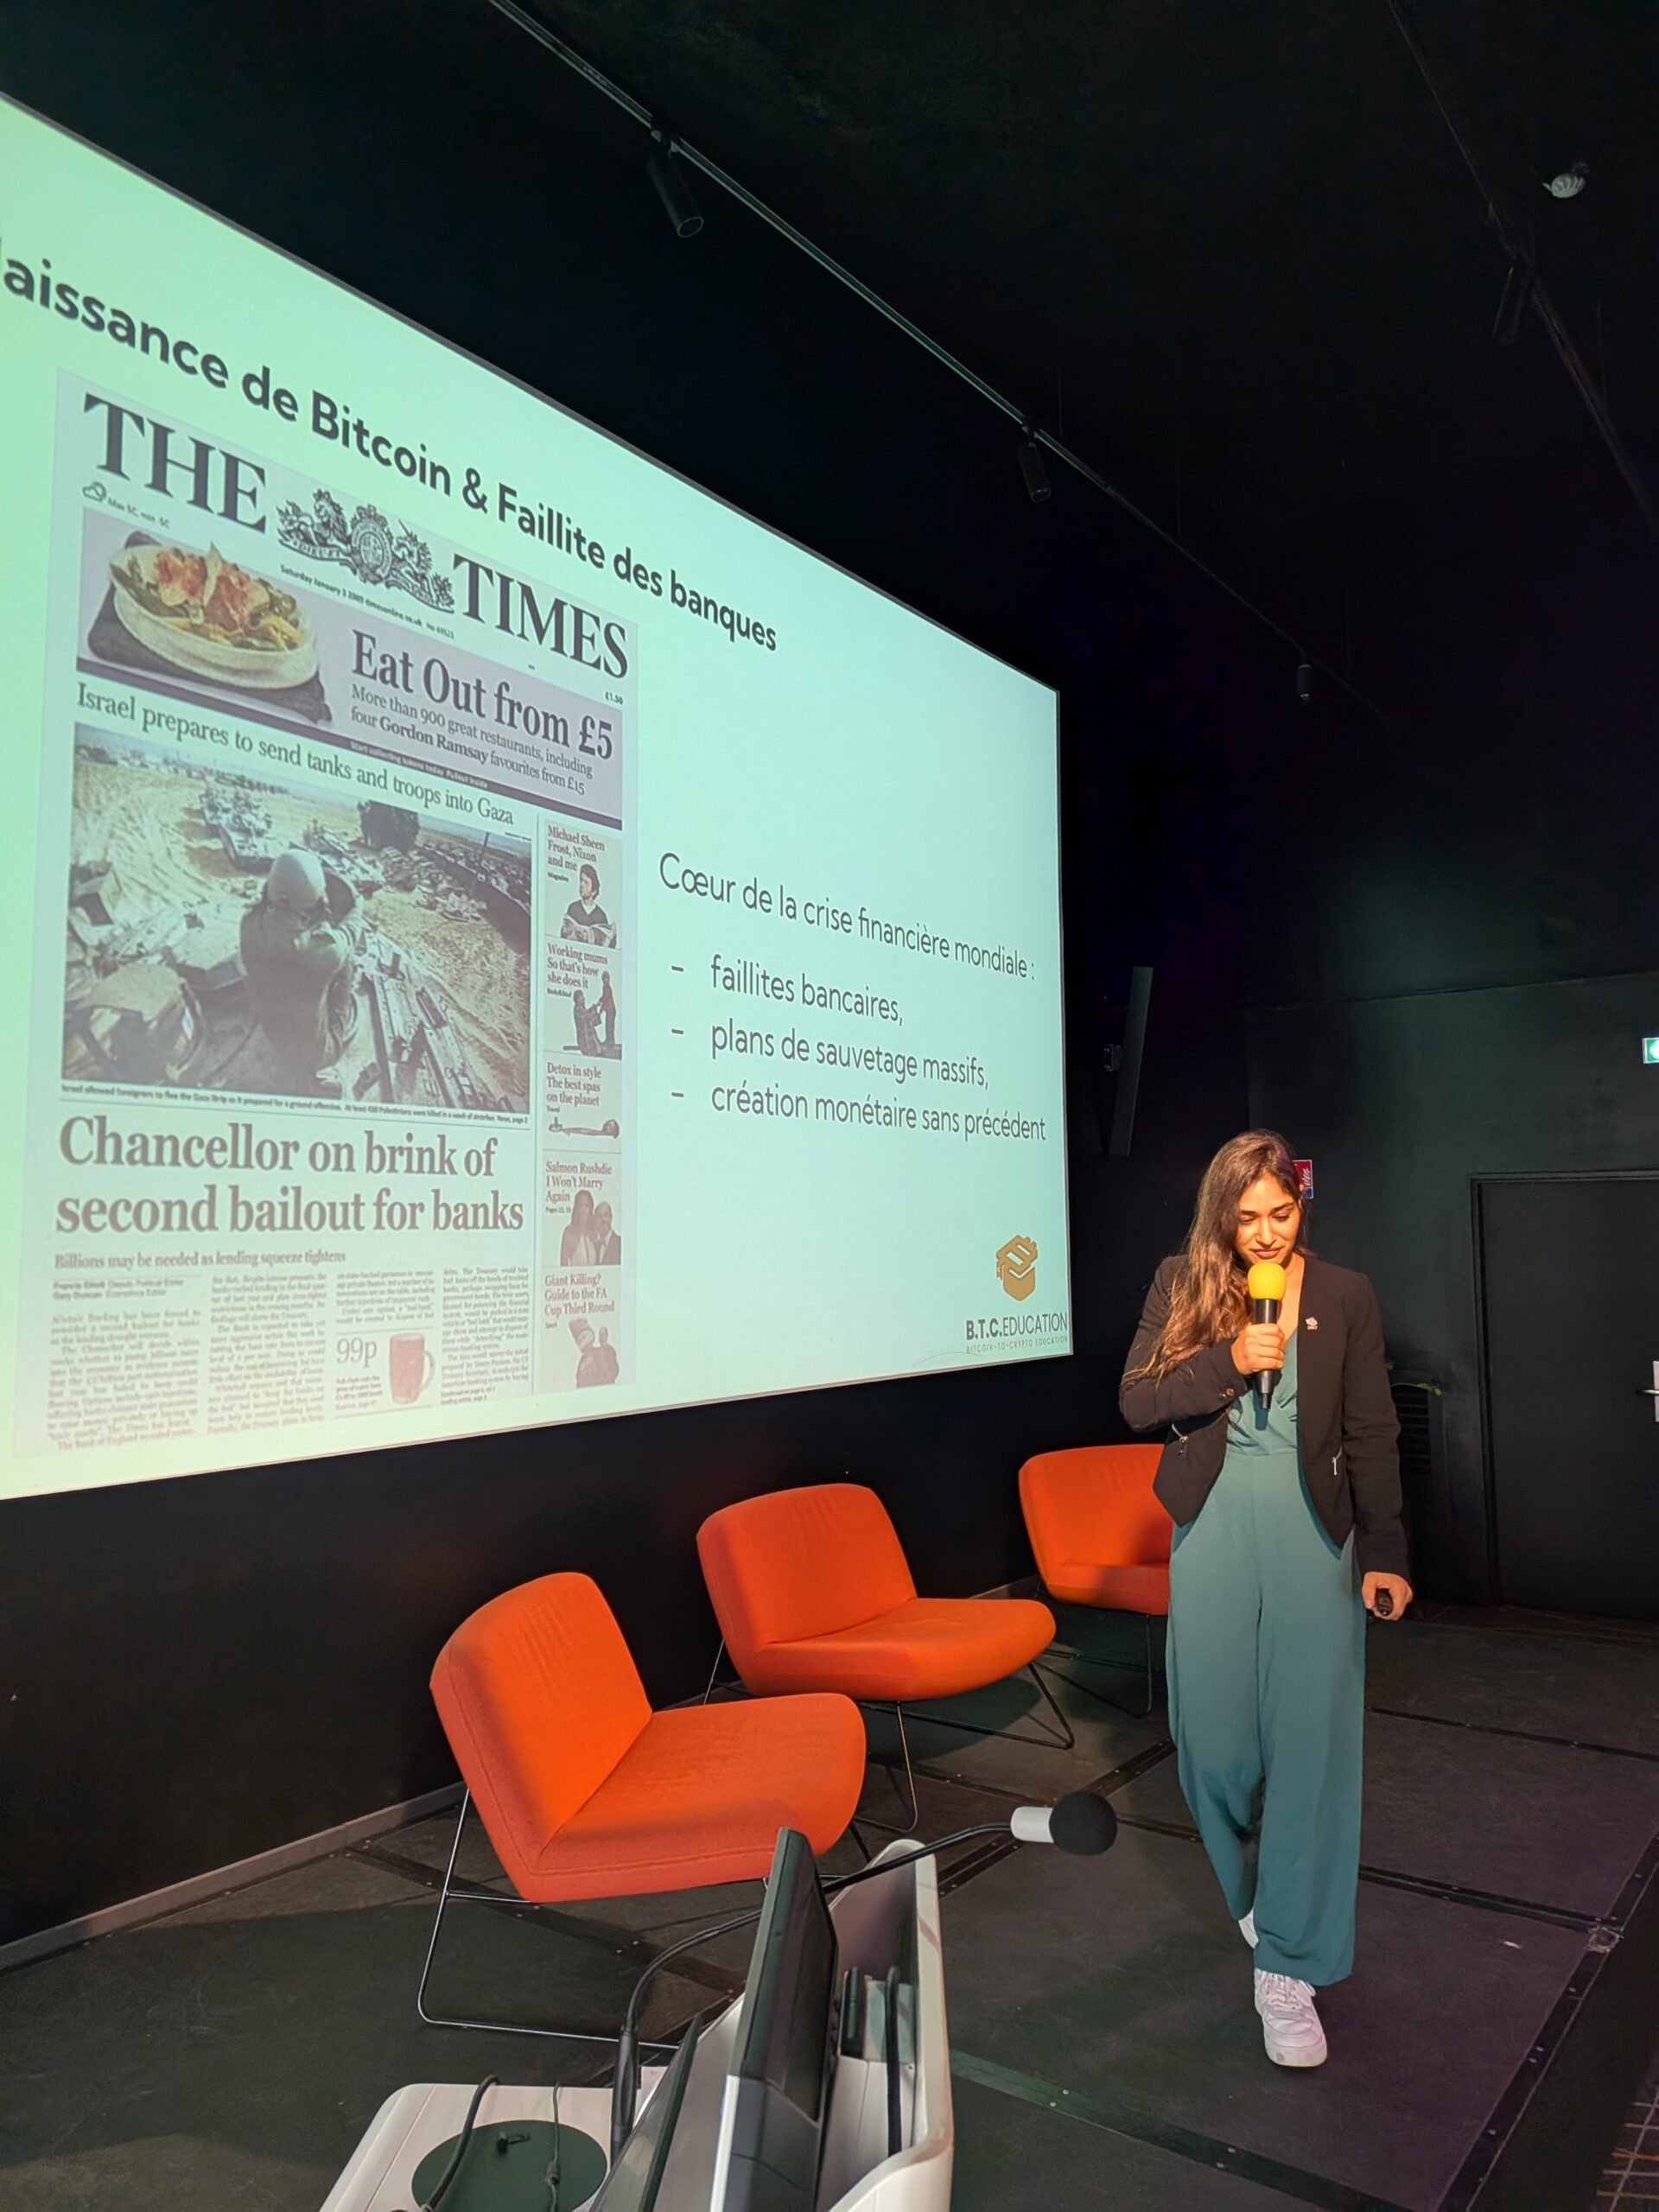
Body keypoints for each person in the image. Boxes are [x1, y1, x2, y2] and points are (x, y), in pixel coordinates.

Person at [1119, 1128, 1411, 2072]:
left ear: (1299, 1206)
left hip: (1313, 1535)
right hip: (1212, 1525)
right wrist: (1229, 1358)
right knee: (1211, 1743)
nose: (1266, 1234)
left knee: (1311, 1748)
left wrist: (1387, 1551)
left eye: (1280, 1214)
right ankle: (1261, 1897)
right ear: (1222, 1216)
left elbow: (1372, 1428)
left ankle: (1288, 1965)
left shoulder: (1343, 1293)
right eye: (1247, 1218)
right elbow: (1137, 1402)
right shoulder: (1182, 1283)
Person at [239, 848, 362, 1096]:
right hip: (315, 1053)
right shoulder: (325, 950)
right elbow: (350, 933)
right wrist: (358, 903)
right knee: (347, 965)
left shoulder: (250, 926)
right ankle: (327, 1055)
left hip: (273, 1033)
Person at [561, 864, 615, 946]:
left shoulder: (601, 916)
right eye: (581, 880)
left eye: (586, 883)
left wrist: (612, 938)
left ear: (594, 891)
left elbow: (605, 948)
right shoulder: (573, 908)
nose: (582, 885)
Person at [571, 1318, 619, 1387]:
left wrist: (605, 1346)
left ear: (591, 1335)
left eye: (584, 1337)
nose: (583, 1341)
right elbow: (579, 1380)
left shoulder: (601, 1351)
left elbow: (612, 1368)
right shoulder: (581, 1362)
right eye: (579, 1341)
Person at [559, 1190, 596, 1267]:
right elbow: (563, 1266)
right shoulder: (569, 1233)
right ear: (576, 1208)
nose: (583, 1210)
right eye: (580, 1206)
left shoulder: (594, 1233)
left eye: (586, 1206)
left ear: (590, 1209)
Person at [591, 1200, 621, 1266]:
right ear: (595, 1219)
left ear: (611, 1218)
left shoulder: (620, 1244)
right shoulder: (592, 1245)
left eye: (606, 1215)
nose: (603, 1219)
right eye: (600, 1216)